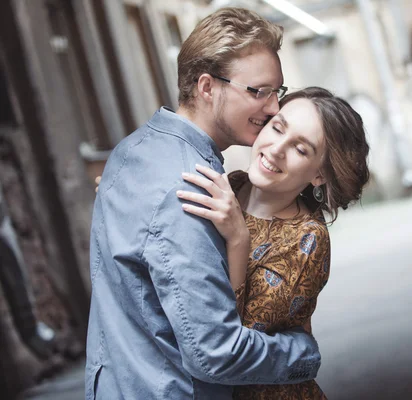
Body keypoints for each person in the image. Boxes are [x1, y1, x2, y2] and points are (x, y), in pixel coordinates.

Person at [86, 8, 323, 399]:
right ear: (207, 87)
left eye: (276, 92)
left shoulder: (129, 153)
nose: (273, 108)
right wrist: (303, 353)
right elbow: (214, 353)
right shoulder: (189, 186)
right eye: (257, 91)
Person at [176, 87, 370, 399]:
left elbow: (232, 342)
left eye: (301, 149)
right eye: (277, 127)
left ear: (319, 175)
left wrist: (238, 239)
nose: (277, 149)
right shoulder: (231, 184)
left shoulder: (307, 239)